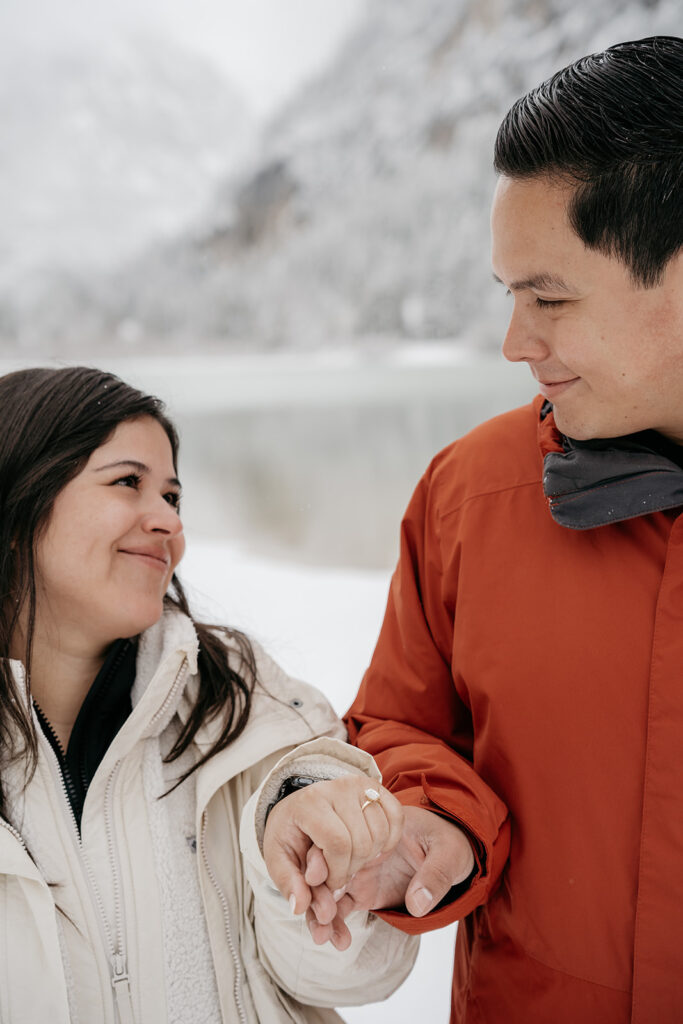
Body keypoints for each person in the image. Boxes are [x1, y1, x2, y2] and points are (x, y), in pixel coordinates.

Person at [263, 35, 683, 1023]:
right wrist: (422, 821)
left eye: (548, 298)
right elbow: (399, 724)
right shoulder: (469, 493)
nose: (512, 343)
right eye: (508, 296)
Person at [0, 364, 418, 1024]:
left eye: (172, 496)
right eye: (127, 483)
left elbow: (353, 968)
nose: (167, 521)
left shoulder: (240, 706)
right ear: (18, 507)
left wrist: (308, 844)